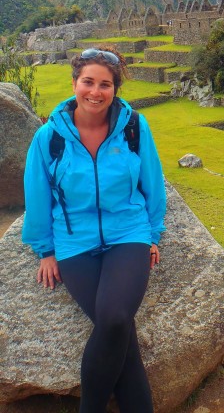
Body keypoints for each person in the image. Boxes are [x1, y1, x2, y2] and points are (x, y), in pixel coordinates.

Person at [22, 47, 166, 413]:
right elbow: (37, 195)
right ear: (74, 84)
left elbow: (152, 181)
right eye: (88, 82)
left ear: (115, 89)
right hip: (75, 242)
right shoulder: (49, 137)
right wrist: (46, 250)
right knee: (120, 335)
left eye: (105, 84)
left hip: (127, 233)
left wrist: (153, 233)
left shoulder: (133, 127)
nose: (95, 92)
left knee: (116, 317)